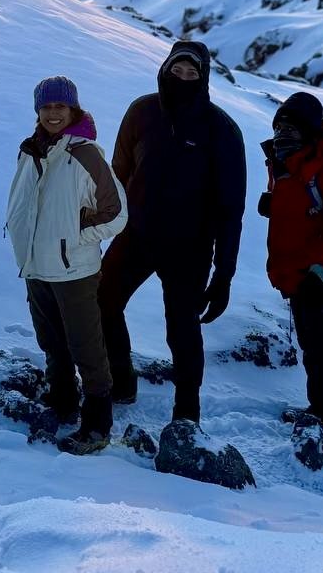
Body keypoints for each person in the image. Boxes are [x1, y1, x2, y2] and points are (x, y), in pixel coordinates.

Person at [97, 41, 247, 423]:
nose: (182, 78)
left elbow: (231, 210)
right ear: (164, 70)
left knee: (181, 328)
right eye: (176, 71)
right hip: (136, 236)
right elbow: (120, 173)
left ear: (203, 77)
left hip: (189, 248)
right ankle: (121, 381)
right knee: (103, 303)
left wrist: (224, 274)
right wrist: (109, 226)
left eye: (191, 73)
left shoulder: (221, 129)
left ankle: (187, 412)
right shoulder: (142, 112)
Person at [6, 76, 127, 455]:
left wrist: (74, 237)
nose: (53, 113)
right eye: (46, 107)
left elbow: (116, 213)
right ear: (38, 111)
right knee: (52, 342)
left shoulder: (85, 154)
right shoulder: (31, 150)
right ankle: (61, 401)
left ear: (73, 110)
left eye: (60, 107)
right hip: (36, 265)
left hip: (73, 270)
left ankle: (97, 424)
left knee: (85, 346)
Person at [261, 92, 323, 432]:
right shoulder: (285, 168)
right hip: (298, 275)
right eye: (279, 127)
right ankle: (322, 408)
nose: (282, 135)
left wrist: (322, 272)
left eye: (291, 128)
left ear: (307, 133)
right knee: (312, 346)